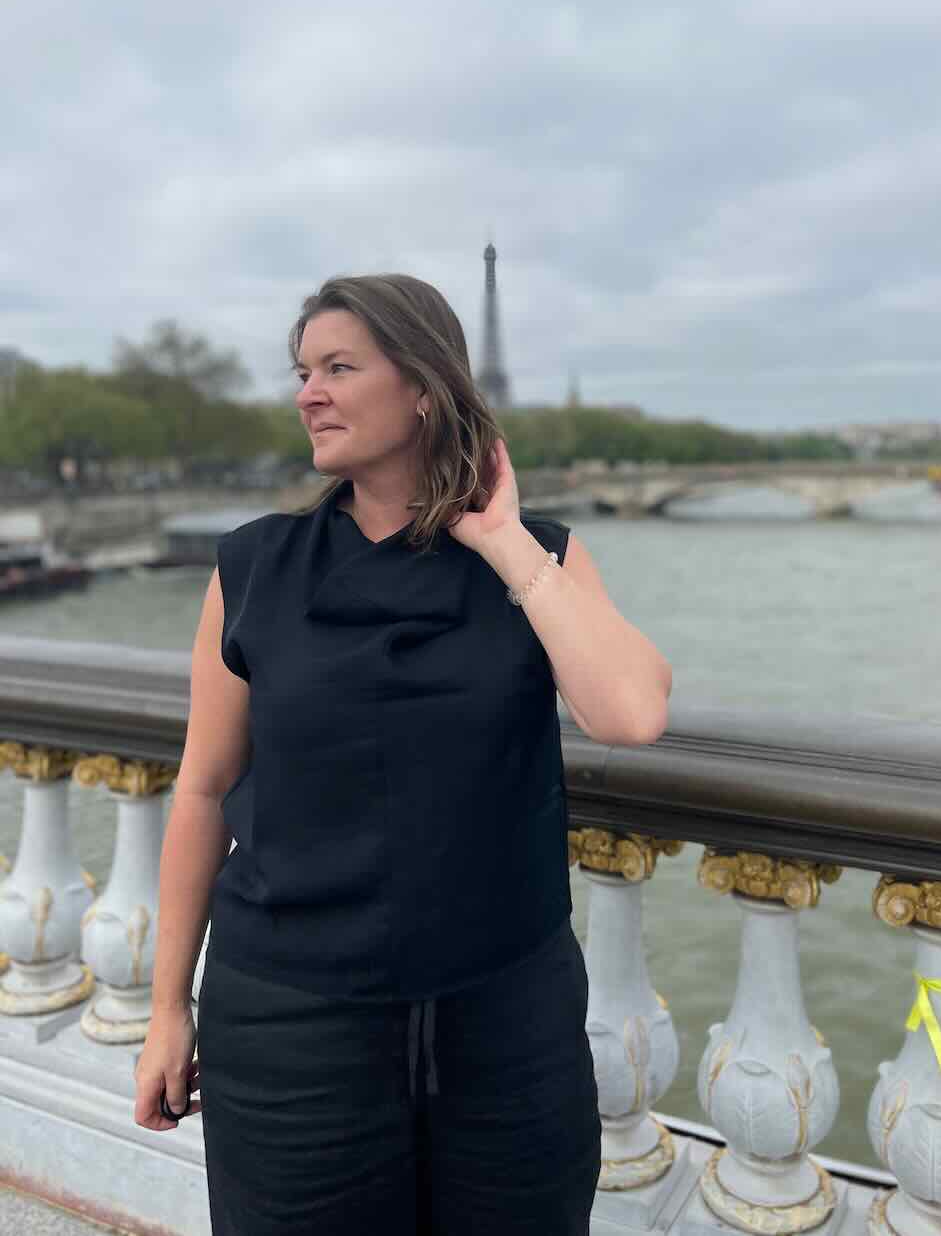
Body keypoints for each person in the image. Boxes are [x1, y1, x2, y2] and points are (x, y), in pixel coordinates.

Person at [133, 272, 673, 1234]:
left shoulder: (537, 555)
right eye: (303, 372)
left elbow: (630, 714)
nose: (308, 393)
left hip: (505, 1021)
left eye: (338, 368)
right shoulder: (254, 565)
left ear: (423, 387)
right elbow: (205, 790)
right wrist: (167, 1009)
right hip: (289, 1022)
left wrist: (502, 543)